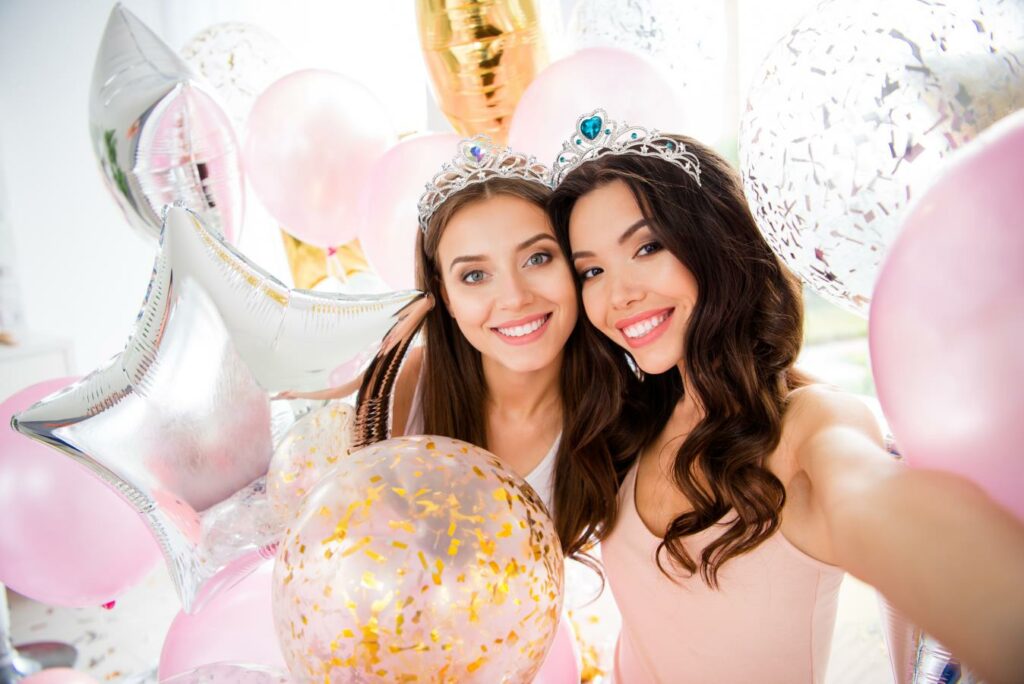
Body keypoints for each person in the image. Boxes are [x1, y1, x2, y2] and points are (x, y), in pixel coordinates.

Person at [546, 110, 1024, 684]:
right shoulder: (633, 418)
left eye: (647, 248)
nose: (618, 294)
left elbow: (874, 501)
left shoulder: (805, 424)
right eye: (591, 270)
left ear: (712, 244)